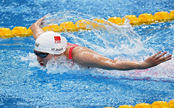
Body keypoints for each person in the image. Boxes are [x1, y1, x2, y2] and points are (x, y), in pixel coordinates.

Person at [30, 17, 172, 70]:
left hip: (132, 70)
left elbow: (113, 64)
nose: (38, 58)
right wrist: (40, 22)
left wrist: (143, 65)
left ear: (57, 52)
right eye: (37, 53)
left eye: (42, 55)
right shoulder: (44, 42)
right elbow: (35, 28)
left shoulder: (81, 56)